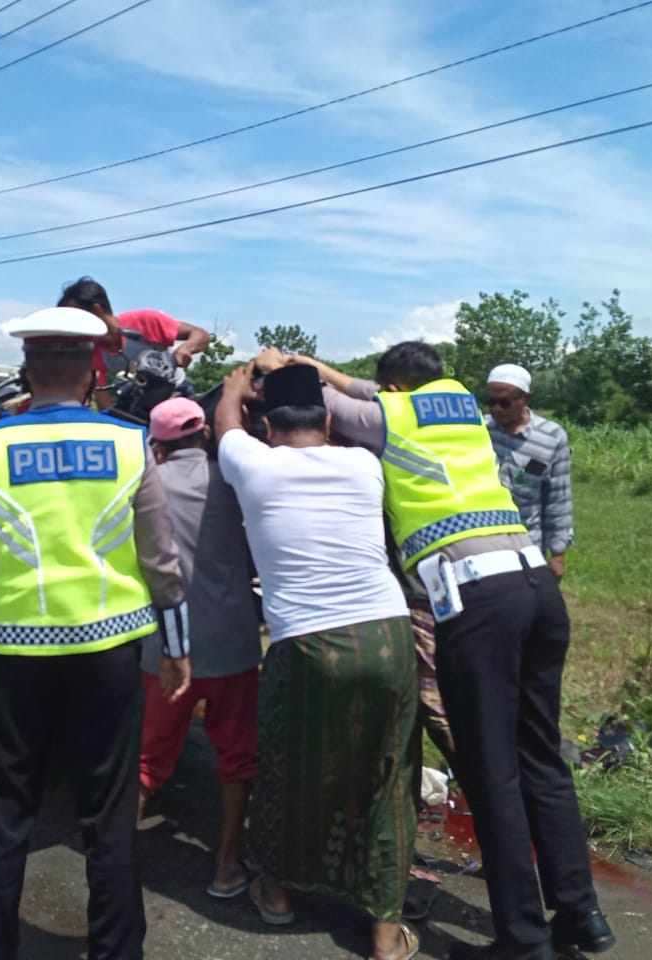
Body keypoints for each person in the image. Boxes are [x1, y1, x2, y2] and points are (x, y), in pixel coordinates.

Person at [264, 344, 612, 960]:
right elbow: (367, 390)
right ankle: (582, 913)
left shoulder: (390, 418)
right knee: (542, 759)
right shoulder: (464, 410)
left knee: (492, 772)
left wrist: (280, 366)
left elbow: (322, 405)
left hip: (481, 600)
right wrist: (334, 372)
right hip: (535, 586)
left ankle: (523, 940)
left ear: (393, 390)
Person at [0, 306, 191, 960]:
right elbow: (162, 556)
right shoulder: (130, 443)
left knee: (4, 821)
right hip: (110, 654)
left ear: (27, 371)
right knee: (110, 821)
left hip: (18, 658)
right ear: (95, 368)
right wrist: (177, 646)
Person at [215, 363, 420, 960]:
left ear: (265, 424)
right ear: (328, 421)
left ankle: (276, 894)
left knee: (288, 768)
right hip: (387, 632)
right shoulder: (364, 464)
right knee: (388, 776)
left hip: (306, 644)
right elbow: (369, 404)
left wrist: (235, 390)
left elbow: (226, 422)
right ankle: (385, 933)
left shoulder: (251, 463)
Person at [138, 396, 260, 900]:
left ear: (158, 444)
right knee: (237, 758)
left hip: (165, 649)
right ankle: (227, 865)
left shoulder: (147, 485)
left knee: (146, 758)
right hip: (232, 645)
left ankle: (115, 864)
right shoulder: (235, 483)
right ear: (205, 434)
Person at [57, 277, 210, 407]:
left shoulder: (145, 321)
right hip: (133, 404)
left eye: (75, 318)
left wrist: (185, 350)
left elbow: (199, 334)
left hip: (175, 394)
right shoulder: (92, 351)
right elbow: (104, 403)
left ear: (97, 310)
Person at [485, 364, 573, 581]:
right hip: (482, 544)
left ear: (526, 398)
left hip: (527, 546)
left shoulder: (551, 437)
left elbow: (558, 498)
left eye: (504, 403)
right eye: (491, 402)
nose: (496, 409)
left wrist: (558, 554)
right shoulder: (479, 429)